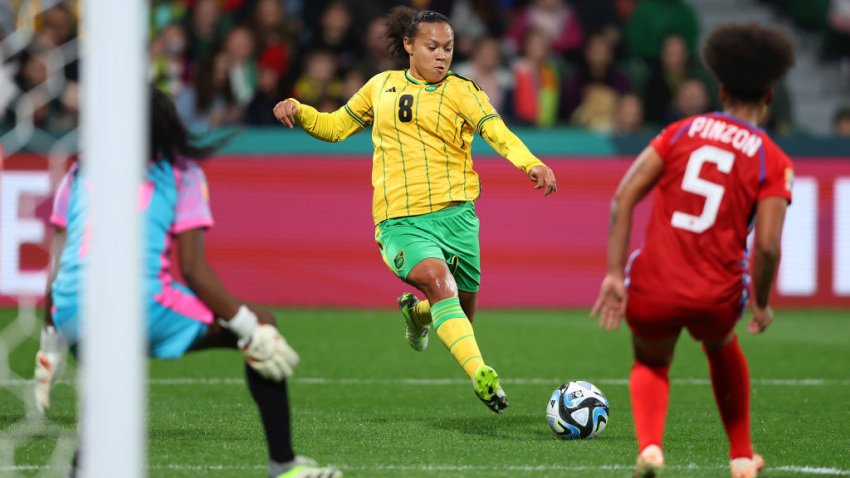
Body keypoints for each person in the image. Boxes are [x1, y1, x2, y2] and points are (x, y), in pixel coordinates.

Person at [33, 87, 341, 478]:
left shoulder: (81, 170)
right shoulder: (181, 173)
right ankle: (283, 465)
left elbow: (59, 267)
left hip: (71, 311)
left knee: (107, 384)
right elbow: (193, 269)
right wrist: (248, 328)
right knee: (263, 325)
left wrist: (50, 348)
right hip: (138, 302)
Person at [273, 7, 557, 414]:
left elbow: (497, 131)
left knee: (458, 311)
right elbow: (335, 127)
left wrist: (531, 162)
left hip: (458, 218)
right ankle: (482, 376)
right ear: (408, 46)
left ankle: (418, 315)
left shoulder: (463, 91)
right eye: (432, 47)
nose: (442, 56)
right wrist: (299, 110)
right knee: (440, 281)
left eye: (449, 48)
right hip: (400, 221)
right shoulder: (380, 87)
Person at [591, 23, 795, 478]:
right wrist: (760, 301)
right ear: (768, 97)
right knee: (722, 346)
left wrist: (611, 274)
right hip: (715, 292)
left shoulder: (681, 132)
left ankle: (649, 449)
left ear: (719, 89)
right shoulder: (772, 159)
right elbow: (765, 246)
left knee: (650, 361)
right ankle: (741, 456)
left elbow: (623, 196)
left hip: (654, 282)